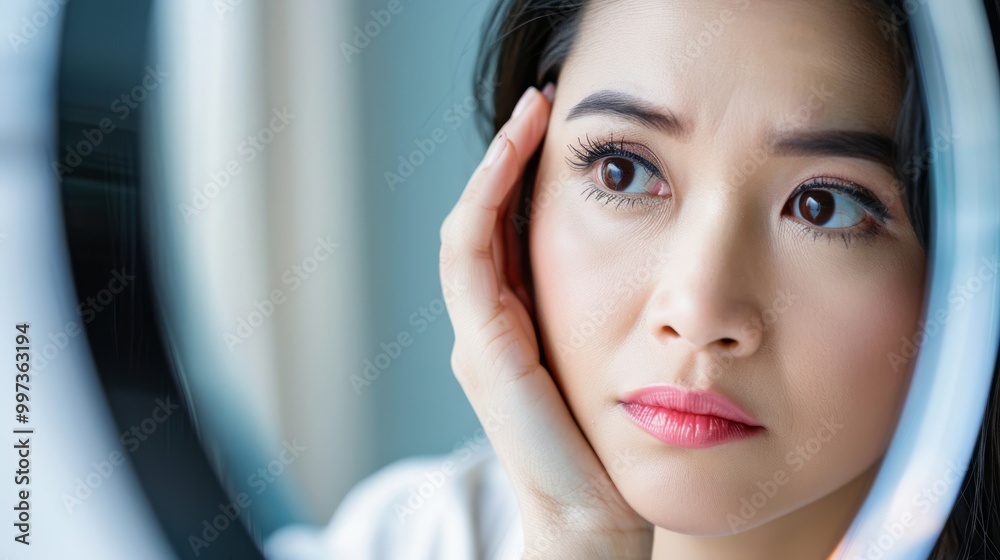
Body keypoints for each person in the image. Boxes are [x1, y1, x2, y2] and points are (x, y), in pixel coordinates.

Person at [265, 1, 1000, 558]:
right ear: (513, 199)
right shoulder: (412, 536)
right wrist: (577, 537)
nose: (698, 307)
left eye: (824, 207)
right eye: (623, 170)